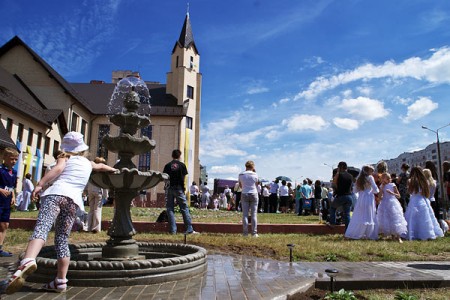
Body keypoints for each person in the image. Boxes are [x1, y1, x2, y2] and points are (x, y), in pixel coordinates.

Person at [6, 132, 117, 295]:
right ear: (82, 149)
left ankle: (28, 260)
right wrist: (115, 170)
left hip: (55, 194)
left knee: (42, 227)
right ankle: (60, 281)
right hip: (73, 201)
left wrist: (40, 184)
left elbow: (58, 170)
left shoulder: (65, 158)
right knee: (62, 239)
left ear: (66, 147)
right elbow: (101, 167)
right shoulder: (88, 163)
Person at [402, 166, 444, 241]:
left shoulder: (410, 180)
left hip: (414, 199)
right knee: (426, 217)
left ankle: (413, 233)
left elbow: (410, 192)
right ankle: (426, 233)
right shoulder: (424, 181)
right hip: (423, 199)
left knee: (412, 217)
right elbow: (426, 192)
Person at [163, 149, 198, 235]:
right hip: (179, 188)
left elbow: (165, 179)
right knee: (184, 208)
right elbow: (183, 179)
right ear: (179, 156)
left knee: (170, 209)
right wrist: (183, 188)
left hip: (170, 188)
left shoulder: (167, 166)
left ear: (172, 156)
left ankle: (173, 230)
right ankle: (189, 229)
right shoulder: (182, 165)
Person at [345, 165, 379, 240]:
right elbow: (376, 189)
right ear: (368, 171)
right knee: (369, 215)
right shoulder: (370, 178)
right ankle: (369, 234)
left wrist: (362, 190)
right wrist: (371, 191)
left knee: (359, 214)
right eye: (371, 171)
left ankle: (356, 233)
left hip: (361, 198)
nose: (373, 172)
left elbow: (354, 190)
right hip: (369, 197)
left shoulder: (359, 179)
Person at [376, 173, 407, 242]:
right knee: (387, 218)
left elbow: (399, 195)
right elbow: (379, 197)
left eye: (389, 178)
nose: (389, 180)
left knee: (395, 218)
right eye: (387, 178)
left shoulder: (393, 185)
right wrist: (382, 188)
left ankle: (398, 236)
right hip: (384, 203)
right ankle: (392, 235)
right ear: (382, 179)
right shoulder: (381, 186)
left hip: (393, 203)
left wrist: (391, 193)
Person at [0, 147, 19, 257]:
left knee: (4, 224)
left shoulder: (14, 172)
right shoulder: (0, 170)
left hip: (6, 202)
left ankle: (0, 248)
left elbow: (12, 187)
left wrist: (13, 196)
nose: (14, 162)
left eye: (16, 159)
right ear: (5, 157)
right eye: (12, 159)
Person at [86, 157, 108, 233]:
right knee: (97, 209)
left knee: (91, 209)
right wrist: (106, 196)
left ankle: (88, 227)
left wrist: (86, 191)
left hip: (90, 190)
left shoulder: (91, 171)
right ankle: (96, 228)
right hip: (98, 191)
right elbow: (105, 185)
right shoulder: (102, 173)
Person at [329, 161, 354, 230]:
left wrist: (337, 172)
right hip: (349, 197)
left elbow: (334, 182)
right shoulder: (350, 176)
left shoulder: (338, 175)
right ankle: (348, 230)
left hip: (341, 196)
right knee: (347, 214)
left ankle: (332, 223)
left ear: (340, 167)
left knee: (332, 208)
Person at [238, 161, 259, 237]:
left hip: (244, 193)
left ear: (245, 166)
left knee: (245, 215)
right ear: (253, 167)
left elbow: (240, 186)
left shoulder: (241, 174)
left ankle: (245, 233)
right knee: (254, 214)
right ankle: (254, 233)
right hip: (254, 193)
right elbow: (256, 185)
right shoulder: (255, 174)